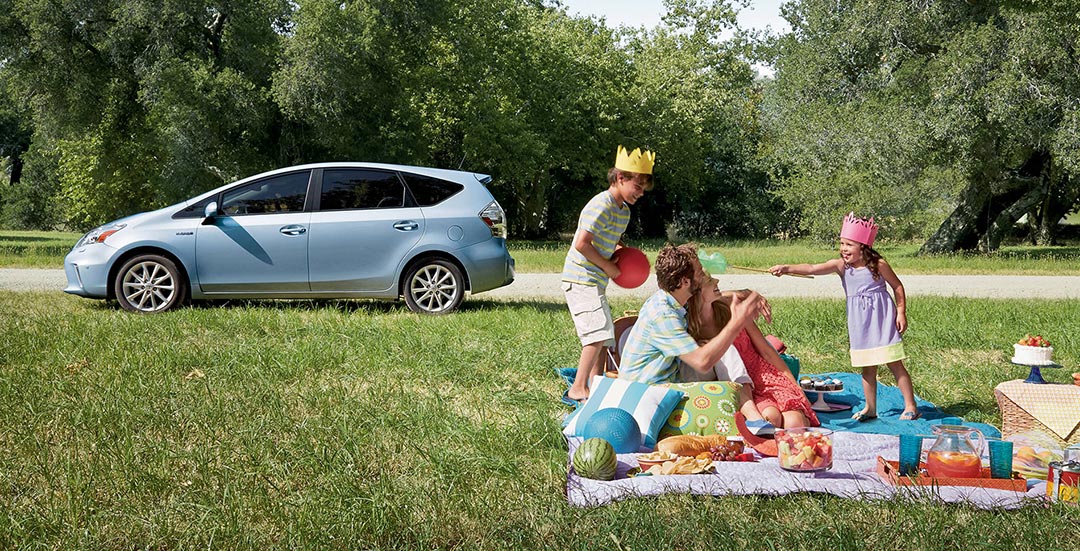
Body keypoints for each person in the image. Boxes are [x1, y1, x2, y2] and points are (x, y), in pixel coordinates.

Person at [768, 212, 919, 421]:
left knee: (894, 363)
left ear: (863, 246)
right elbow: (813, 268)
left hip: (882, 322)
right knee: (868, 368)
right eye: (841, 243)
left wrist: (901, 312)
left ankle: (910, 405)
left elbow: (897, 286)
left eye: (849, 244)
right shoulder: (842, 266)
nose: (843, 249)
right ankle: (871, 408)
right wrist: (786, 268)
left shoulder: (878, 264)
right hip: (861, 324)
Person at [562, 145, 656, 404]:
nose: (640, 193)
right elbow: (582, 243)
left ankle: (596, 386)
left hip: (595, 281)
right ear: (620, 178)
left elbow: (610, 241)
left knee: (605, 335)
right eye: (636, 186)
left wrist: (626, 256)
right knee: (595, 333)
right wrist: (608, 266)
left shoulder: (622, 211)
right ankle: (578, 388)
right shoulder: (601, 204)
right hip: (580, 278)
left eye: (643, 189)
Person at [618, 243, 766, 388]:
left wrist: (743, 293)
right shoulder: (663, 315)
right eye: (700, 272)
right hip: (647, 391)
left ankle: (749, 408)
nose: (704, 275)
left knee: (725, 352)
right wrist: (735, 323)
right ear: (685, 281)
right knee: (714, 352)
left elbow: (710, 297)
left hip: (671, 377)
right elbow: (702, 362)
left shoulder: (676, 299)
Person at [686, 275, 818, 429]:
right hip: (741, 386)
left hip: (764, 375)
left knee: (795, 423)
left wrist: (795, 385)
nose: (717, 281)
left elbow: (766, 350)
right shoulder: (688, 325)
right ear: (694, 291)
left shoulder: (732, 308)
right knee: (771, 418)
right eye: (709, 280)